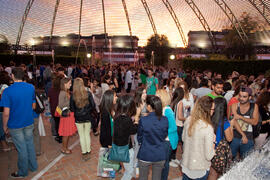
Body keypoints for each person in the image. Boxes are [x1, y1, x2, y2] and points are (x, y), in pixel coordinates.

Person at [1, 67, 38, 178]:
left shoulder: (7, 91)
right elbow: (33, 104)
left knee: (22, 148)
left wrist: (4, 126)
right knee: (30, 144)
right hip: (28, 121)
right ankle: (33, 166)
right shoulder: (30, 87)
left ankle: (22, 172)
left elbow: (6, 113)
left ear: (12, 76)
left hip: (15, 124)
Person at [181, 96, 216, 180]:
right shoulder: (207, 128)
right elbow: (209, 156)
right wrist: (214, 143)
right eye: (212, 109)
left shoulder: (188, 120)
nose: (213, 112)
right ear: (207, 111)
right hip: (199, 168)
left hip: (186, 164)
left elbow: (183, 139)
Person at [137, 95, 168, 180]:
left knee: (142, 177)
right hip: (159, 153)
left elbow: (139, 136)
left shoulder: (143, 120)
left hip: (145, 153)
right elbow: (164, 135)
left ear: (149, 106)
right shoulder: (165, 119)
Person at [113, 95, 138, 180]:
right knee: (129, 172)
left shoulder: (117, 117)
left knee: (128, 170)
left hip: (118, 147)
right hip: (126, 149)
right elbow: (133, 131)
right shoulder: (127, 120)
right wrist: (136, 122)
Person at [230, 87, 259, 159]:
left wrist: (240, 117)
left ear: (250, 97)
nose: (241, 98)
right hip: (234, 137)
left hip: (249, 138)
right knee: (230, 159)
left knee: (245, 161)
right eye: (240, 96)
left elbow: (255, 122)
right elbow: (234, 121)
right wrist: (243, 135)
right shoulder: (235, 105)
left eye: (244, 97)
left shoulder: (254, 106)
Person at [70, 78, 96, 161]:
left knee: (81, 135)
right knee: (87, 134)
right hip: (87, 116)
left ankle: (84, 152)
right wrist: (87, 111)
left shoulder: (73, 95)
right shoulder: (88, 93)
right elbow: (93, 106)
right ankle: (88, 151)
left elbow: (71, 108)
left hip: (78, 117)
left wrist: (78, 111)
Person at [208, 97, 233, 180]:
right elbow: (229, 138)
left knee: (209, 172)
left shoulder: (209, 118)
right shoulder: (224, 122)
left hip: (207, 148)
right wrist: (231, 125)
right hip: (217, 152)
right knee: (214, 174)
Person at [156, 89, 178, 180]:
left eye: (157, 96)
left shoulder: (167, 110)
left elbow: (173, 128)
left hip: (167, 141)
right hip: (162, 140)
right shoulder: (160, 109)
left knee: (164, 164)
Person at [58, 77, 77, 154]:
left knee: (67, 134)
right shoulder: (62, 93)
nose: (70, 84)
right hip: (66, 116)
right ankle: (64, 148)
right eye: (69, 83)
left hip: (68, 115)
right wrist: (70, 103)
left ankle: (65, 147)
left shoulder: (66, 91)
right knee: (66, 134)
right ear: (65, 84)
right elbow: (60, 105)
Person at [170, 87, 185, 167]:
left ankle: (172, 158)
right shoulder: (181, 102)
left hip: (174, 124)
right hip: (179, 125)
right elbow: (179, 116)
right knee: (183, 142)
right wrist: (187, 118)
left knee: (174, 142)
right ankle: (172, 159)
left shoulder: (173, 102)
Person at [48, 74, 63, 143]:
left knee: (57, 123)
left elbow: (49, 100)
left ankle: (58, 136)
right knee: (62, 123)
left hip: (54, 109)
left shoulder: (51, 90)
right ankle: (61, 136)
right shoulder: (62, 91)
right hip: (61, 109)